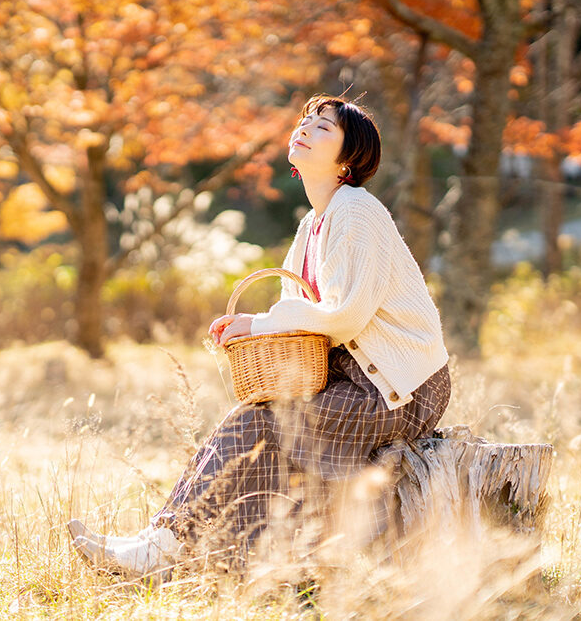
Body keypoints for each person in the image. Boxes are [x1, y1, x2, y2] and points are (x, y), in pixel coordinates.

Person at [68, 94, 451, 580]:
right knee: (255, 426)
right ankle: (193, 557)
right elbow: (295, 309)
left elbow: (345, 315)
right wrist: (251, 325)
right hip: (357, 383)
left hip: (400, 389)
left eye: (324, 127)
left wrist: (261, 324)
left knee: (258, 423)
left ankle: (161, 550)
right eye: (306, 119)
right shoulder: (313, 223)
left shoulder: (357, 210)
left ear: (348, 158)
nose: (307, 128)